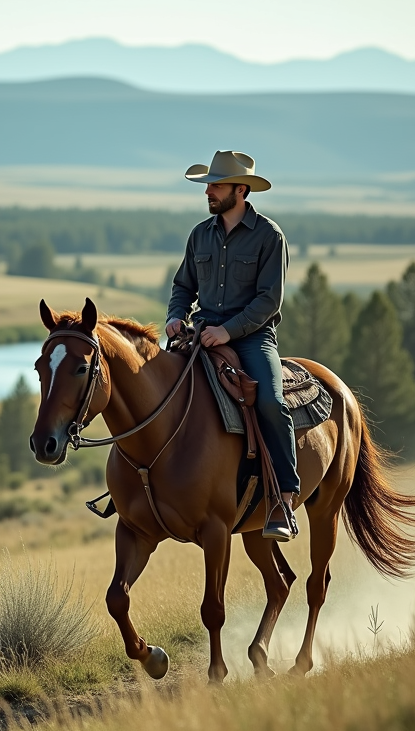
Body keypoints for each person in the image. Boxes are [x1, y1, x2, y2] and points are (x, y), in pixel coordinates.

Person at [166, 150, 299, 541]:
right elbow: (183, 287)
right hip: (200, 334)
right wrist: (176, 316)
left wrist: (229, 331)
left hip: (253, 337)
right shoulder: (199, 235)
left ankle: (284, 498)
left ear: (240, 190)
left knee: (272, 402)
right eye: (208, 185)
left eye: (216, 185)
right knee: (154, 387)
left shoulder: (269, 237)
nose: (208, 191)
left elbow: (268, 301)